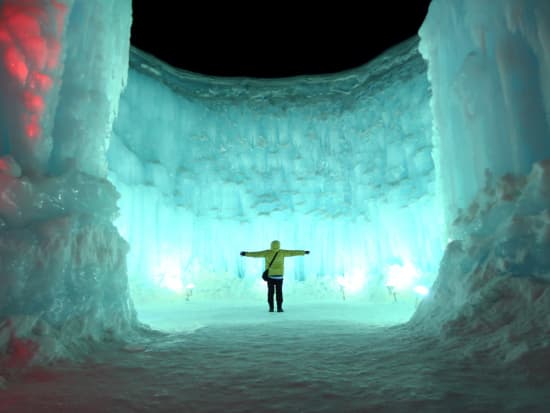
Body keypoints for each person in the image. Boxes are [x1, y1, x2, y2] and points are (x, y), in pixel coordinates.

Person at [240, 240, 310, 313]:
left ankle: (271, 308)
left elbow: (256, 254)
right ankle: (279, 308)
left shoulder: (267, 252)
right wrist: (304, 252)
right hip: (279, 276)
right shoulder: (282, 252)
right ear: (279, 245)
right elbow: (293, 252)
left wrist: (245, 253)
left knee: (270, 292)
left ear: (271, 245)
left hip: (270, 276)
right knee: (279, 292)